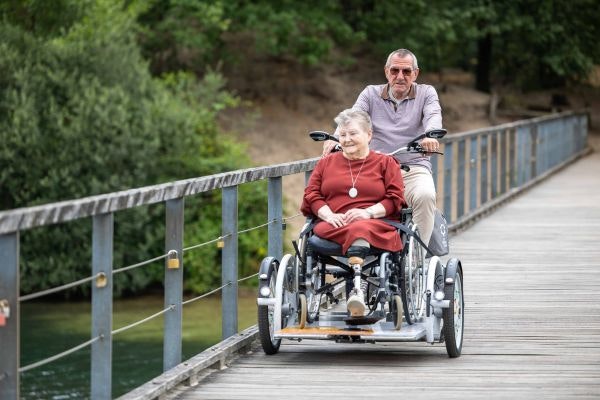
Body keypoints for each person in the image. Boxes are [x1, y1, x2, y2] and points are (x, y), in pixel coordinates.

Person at [323, 48, 442, 246]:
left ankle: (418, 256)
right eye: (394, 71)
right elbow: (355, 117)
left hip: (412, 167)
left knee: (426, 195)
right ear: (386, 72)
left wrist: (430, 136)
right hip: (375, 168)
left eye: (406, 71)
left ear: (416, 73)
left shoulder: (426, 93)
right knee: (351, 198)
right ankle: (365, 255)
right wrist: (336, 138)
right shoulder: (370, 93)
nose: (400, 77)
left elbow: (433, 115)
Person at [301, 108, 407, 317]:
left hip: (375, 223)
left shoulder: (386, 163)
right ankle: (357, 292)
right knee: (344, 229)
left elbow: (395, 199)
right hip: (333, 224)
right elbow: (311, 194)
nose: (347, 139)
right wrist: (328, 214)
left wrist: (367, 213)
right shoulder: (326, 163)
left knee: (359, 227)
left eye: (353, 133)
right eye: (342, 135)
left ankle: (358, 291)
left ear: (369, 135)